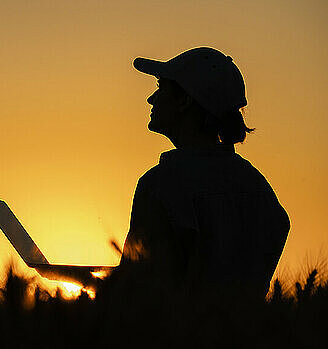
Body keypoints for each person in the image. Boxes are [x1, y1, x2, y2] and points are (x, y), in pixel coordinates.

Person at [118, 47, 290, 298]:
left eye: (161, 87)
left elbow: (140, 295)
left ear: (185, 101)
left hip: (179, 337)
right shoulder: (257, 187)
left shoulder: (160, 185)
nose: (151, 99)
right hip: (244, 336)